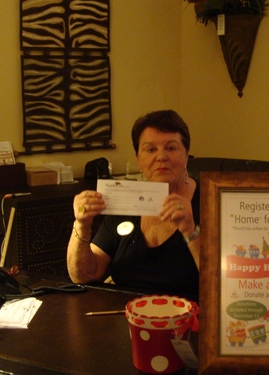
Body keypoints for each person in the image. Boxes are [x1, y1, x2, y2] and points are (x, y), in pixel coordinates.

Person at [67, 110, 200, 301]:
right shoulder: (127, 200)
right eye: (150, 150)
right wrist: (82, 224)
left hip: (189, 314)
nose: (161, 157)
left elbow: (225, 283)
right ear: (138, 159)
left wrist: (190, 231)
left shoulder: (211, 201)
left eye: (171, 148)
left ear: (186, 155)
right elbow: (84, 275)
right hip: (126, 313)